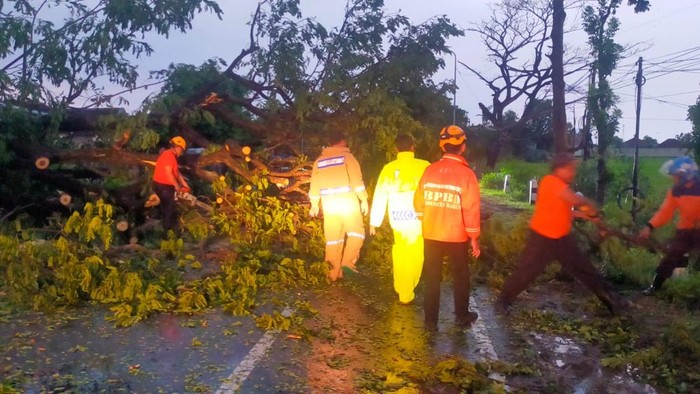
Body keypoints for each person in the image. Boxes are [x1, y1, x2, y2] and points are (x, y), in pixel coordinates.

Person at [495, 152, 622, 315]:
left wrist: (591, 218)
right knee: (526, 272)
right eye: (570, 169)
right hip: (541, 239)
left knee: (585, 269)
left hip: (561, 239)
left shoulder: (561, 186)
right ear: (559, 169)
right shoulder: (551, 181)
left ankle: (612, 301)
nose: (573, 173)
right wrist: (592, 210)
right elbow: (577, 201)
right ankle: (503, 302)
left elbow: (566, 210)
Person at [414, 125, 481, 330]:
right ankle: (461, 316)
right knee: (460, 275)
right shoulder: (467, 174)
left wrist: (427, 220)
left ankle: (430, 322)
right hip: (456, 235)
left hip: (431, 233)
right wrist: (474, 238)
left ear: (442, 146)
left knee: (432, 277)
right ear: (462, 146)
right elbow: (471, 209)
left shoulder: (430, 170)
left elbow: (418, 203)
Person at [369, 133, 430, 305]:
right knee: (416, 253)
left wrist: (374, 222)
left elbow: (380, 195)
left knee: (400, 252)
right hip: (419, 218)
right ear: (413, 146)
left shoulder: (389, 168)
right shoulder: (424, 166)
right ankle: (407, 291)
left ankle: (401, 287)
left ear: (396, 148)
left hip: (398, 218)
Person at [308, 131, 369, 281]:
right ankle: (347, 263)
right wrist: (364, 199)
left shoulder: (319, 161)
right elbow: (357, 182)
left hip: (329, 206)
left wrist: (314, 205)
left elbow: (314, 185)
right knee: (356, 233)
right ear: (342, 141)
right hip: (347, 203)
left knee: (333, 239)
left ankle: (332, 273)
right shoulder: (347, 157)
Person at [638, 156, 700, 295]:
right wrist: (650, 226)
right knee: (672, 255)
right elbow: (665, 212)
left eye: (675, 176)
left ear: (686, 175)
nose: (673, 179)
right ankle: (655, 286)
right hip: (685, 230)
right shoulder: (675, 191)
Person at [152, 136, 190, 233]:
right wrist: (178, 187)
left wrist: (185, 185)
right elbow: (169, 174)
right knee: (169, 208)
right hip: (163, 186)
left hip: (163, 185)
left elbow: (176, 172)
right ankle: (167, 232)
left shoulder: (171, 156)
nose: (182, 152)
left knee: (166, 208)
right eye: (182, 150)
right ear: (178, 147)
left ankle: (163, 229)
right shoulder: (168, 156)